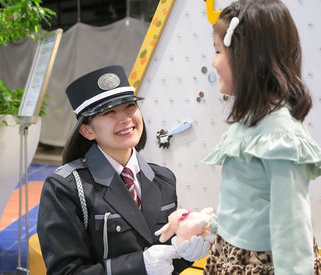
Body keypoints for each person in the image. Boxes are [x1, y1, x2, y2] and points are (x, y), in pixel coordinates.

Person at [174, 0, 321, 273]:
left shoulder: (280, 134)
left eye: (218, 51)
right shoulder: (251, 123)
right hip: (233, 257)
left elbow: (292, 229)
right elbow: (251, 205)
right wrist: (212, 225)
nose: (213, 62)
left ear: (247, 58)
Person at [37, 65, 194, 275]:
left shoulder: (163, 179)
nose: (125, 118)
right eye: (109, 111)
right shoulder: (66, 188)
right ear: (87, 130)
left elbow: (165, 261)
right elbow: (65, 271)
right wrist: (139, 265)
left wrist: (185, 253)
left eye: (130, 106)